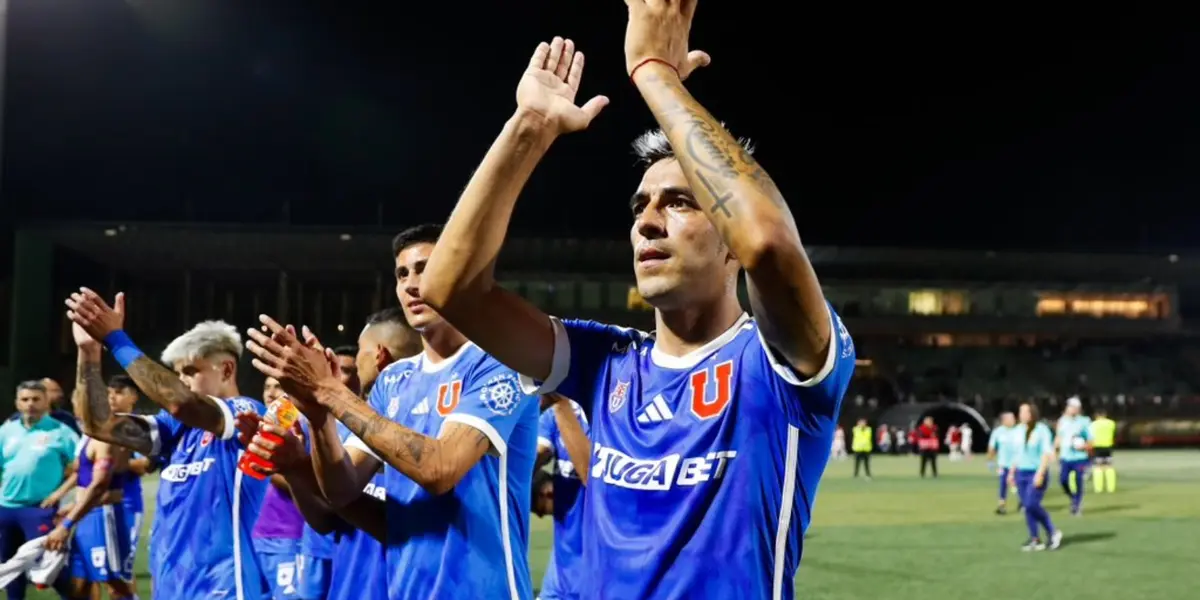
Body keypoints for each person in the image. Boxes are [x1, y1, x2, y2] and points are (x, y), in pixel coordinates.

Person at [418, 12, 854, 599]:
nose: (647, 221)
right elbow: (450, 291)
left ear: (728, 237)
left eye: (679, 202)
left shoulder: (780, 366)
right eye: (639, 206)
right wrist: (530, 128)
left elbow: (769, 244)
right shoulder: (607, 361)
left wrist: (655, 74)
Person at [244, 225, 540, 600]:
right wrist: (319, 418)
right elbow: (341, 490)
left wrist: (331, 391)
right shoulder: (393, 381)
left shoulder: (500, 363)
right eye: (403, 274)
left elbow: (440, 470)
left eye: (426, 269)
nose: (413, 284)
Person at [65, 291, 270, 600]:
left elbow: (180, 402)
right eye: (177, 374)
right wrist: (90, 353)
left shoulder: (246, 413)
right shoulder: (176, 429)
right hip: (171, 586)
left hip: (227, 587)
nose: (182, 381)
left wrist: (116, 340)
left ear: (226, 370)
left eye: (190, 372)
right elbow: (99, 424)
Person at [0, 380, 79, 599]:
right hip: (6, 509)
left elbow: (81, 469)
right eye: (25, 399)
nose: (30, 404)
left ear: (46, 402)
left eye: (36, 399)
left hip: (40, 509)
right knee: (8, 566)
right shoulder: (6, 431)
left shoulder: (61, 432)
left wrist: (58, 493)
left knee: (52, 567)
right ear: (17, 403)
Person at [45, 427, 136, 599]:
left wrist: (67, 523)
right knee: (79, 584)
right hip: (85, 517)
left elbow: (101, 486)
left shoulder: (105, 439)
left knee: (114, 582)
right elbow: (84, 476)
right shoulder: (86, 436)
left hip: (102, 516)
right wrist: (73, 505)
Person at [252, 376, 305, 600]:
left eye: (278, 387)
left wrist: (264, 465)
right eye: (267, 387)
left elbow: (304, 483)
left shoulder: (299, 430)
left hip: (287, 536)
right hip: (254, 535)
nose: (271, 393)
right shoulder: (258, 428)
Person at [534, 395, 591, 600]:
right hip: (560, 576)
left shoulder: (612, 415)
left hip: (601, 573)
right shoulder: (554, 413)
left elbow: (591, 476)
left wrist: (560, 404)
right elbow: (537, 451)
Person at [106, 374, 152, 594]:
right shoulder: (102, 424)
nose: (112, 398)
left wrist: (111, 464)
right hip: (99, 506)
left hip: (127, 505)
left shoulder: (139, 426)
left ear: (133, 396)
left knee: (122, 574)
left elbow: (145, 464)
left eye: (119, 392)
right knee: (100, 573)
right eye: (109, 393)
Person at [1009, 402, 1062, 551]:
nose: (1022, 415)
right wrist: (1012, 473)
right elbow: (1016, 454)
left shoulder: (1041, 430)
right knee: (1027, 507)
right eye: (1020, 412)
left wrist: (1040, 473)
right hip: (1021, 473)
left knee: (1032, 504)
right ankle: (1035, 538)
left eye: (1025, 412)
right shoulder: (1017, 430)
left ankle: (1053, 532)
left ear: (1032, 413)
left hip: (1036, 472)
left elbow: (1046, 453)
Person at [6, 378, 81, 436]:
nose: (60, 394)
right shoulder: (14, 420)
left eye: (60, 391)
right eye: (55, 391)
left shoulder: (66, 419)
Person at [1056, 397, 1091, 516]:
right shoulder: (1062, 421)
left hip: (1080, 457)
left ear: (1078, 409)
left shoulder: (1084, 421)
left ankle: (1077, 504)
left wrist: (1084, 446)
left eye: (1073, 407)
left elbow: (1091, 440)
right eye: (1069, 406)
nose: (1070, 409)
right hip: (1065, 456)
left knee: (1078, 480)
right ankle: (1073, 498)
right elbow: (1059, 437)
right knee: (1063, 480)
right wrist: (1055, 449)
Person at [987, 412, 1019, 515]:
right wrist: (990, 460)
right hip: (1003, 464)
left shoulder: (1018, 431)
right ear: (1004, 420)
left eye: (1013, 418)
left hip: (1017, 464)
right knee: (1002, 484)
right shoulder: (998, 432)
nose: (1013, 420)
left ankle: (1023, 502)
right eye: (1011, 418)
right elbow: (992, 447)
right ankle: (1001, 506)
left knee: (1016, 484)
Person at [1089, 410, 1117, 493]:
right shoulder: (1111, 423)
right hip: (1108, 446)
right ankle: (1111, 488)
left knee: (1098, 467)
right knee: (1109, 466)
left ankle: (1098, 488)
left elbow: (1090, 435)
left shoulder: (1093, 424)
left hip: (1097, 447)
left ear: (1096, 416)